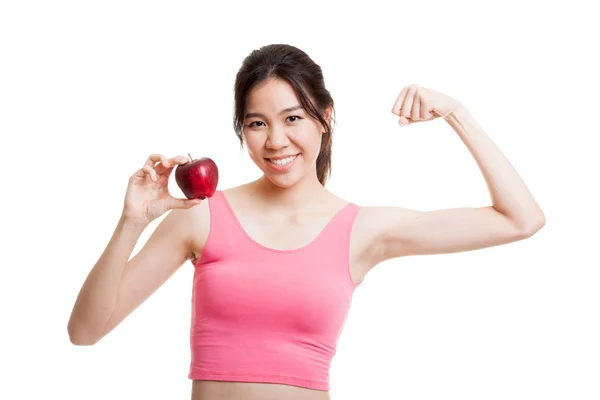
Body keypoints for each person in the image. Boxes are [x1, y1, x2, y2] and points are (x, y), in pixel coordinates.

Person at [67, 44, 546, 400]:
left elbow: (520, 219)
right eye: (257, 123)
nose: (276, 140)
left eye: (293, 117)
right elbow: (85, 331)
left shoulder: (362, 231)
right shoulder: (202, 217)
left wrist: (457, 114)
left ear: (325, 118)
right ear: (242, 131)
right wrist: (132, 221)